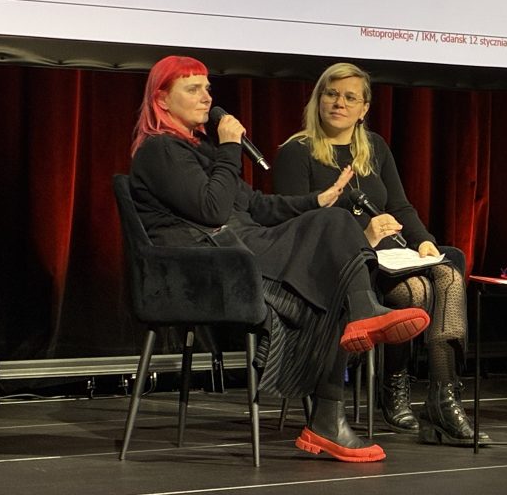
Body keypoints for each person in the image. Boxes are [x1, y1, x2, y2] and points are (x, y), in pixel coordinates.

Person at [128, 56, 431, 462]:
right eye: (193, 89)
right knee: (332, 271)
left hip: (243, 245)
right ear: (162, 100)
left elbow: (256, 204)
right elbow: (212, 210)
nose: (207, 98)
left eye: (207, 88)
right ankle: (330, 412)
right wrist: (231, 147)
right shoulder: (159, 149)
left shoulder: (199, 150)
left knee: (334, 226)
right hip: (211, 264)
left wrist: (318, 200)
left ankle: (349, 349)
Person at [273, 62, 488, 446]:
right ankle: (395, 387)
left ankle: (444, 397)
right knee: (415, 292)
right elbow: (298, 227)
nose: (338, 103)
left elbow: (400, 206)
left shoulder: (374, 148)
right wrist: (364, 236)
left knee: (448, 270)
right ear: (318, 99)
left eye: (349, 97)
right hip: (337, 266)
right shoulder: (296, 151)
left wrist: (424, 241)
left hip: (389, 255)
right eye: (331, 94)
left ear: (364, 108)